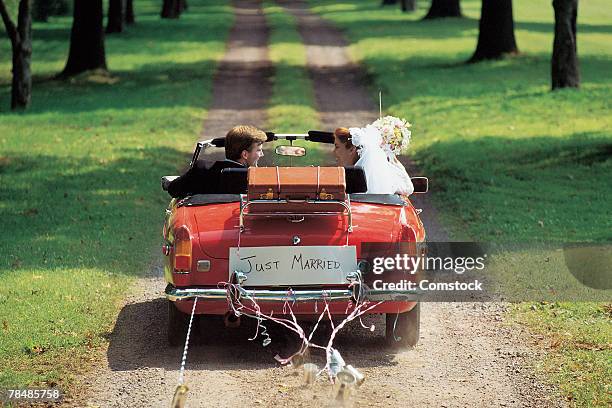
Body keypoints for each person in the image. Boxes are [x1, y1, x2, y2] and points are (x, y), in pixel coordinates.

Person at [167, 125, 267, 198]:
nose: (262, 154)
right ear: (244, 154)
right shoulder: (258, 178)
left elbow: (173, 189)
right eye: (258, 150)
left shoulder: (202, 169)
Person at [333, 125, 413, 195]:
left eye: (337, 146)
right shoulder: (380, 174)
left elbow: (407, 188)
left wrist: (392, 157)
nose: (333, 152)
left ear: (351, 149)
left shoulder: (381, 176)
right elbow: (407, 188)